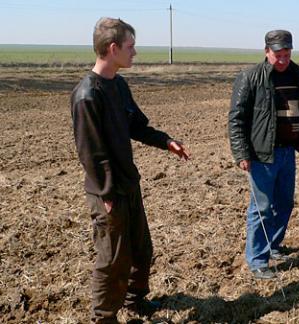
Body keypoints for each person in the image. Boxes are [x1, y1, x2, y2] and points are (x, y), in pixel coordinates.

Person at [70, 17, 189, 323]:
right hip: (107, 191)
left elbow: (136, 125)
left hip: (128, 183)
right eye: (130, 46)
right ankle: (104, 318)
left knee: (141, 249)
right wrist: (107, 193)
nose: (135, 52)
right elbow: (91, 153)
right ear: (113, 49)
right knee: (112, 260)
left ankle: (135, 303)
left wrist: (166, 142)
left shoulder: (118, 85)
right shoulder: (88, 95)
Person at [228, 30, 299, 279]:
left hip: (288, 152)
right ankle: (257, 260)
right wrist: (241, 153)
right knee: (262, 208)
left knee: (285, 203)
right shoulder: (250, 76)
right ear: (266, 51)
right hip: (262, 154)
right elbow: (236, 119)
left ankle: (274, 247)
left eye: (287, 54)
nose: (282, 59)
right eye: (278, 54)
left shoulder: (296, 74)